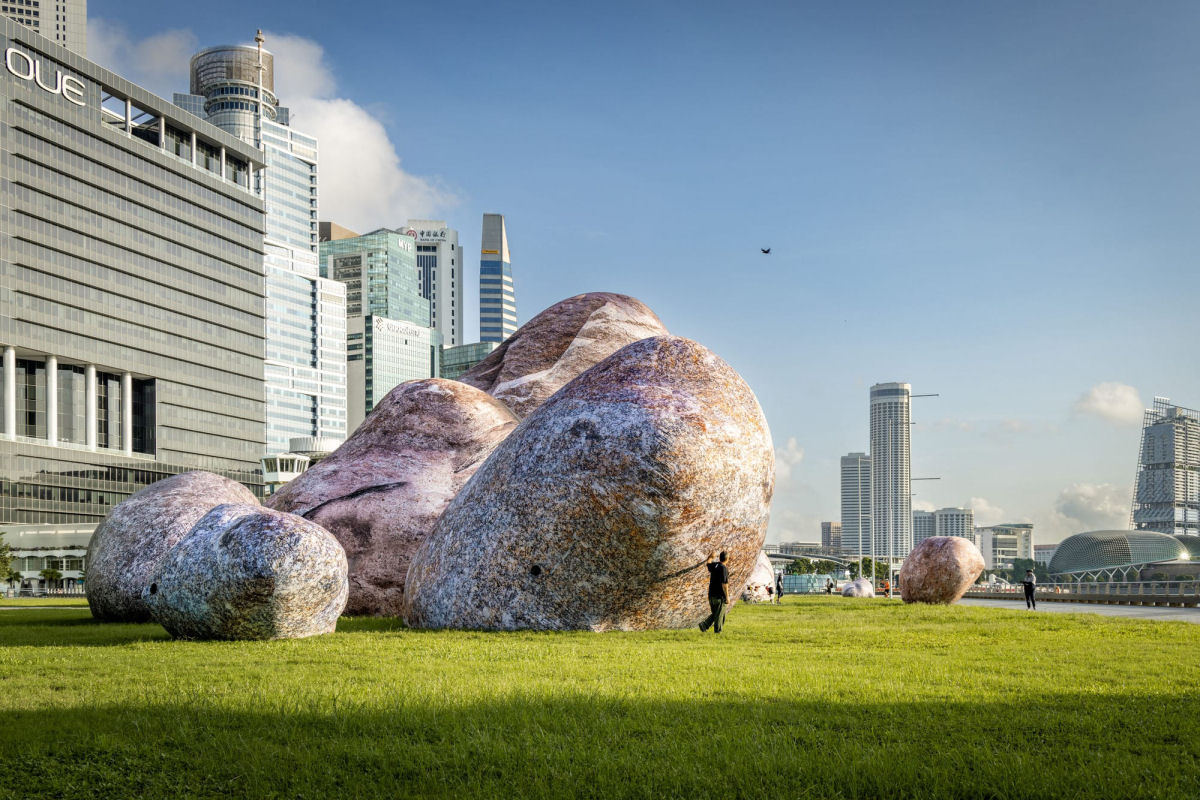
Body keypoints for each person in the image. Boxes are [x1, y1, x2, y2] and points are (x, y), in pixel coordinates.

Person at [699, 551, 730, 633]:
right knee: (720, 615)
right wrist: (727, 596)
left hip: (711, 595)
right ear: (727, 559)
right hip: (719, 596)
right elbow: (724, 584)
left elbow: (708, 563)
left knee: (716, 614)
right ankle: (717, 632)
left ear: (720, 558)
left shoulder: (715, 565)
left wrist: (711, 556)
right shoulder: (723, 568)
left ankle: (704, 625)